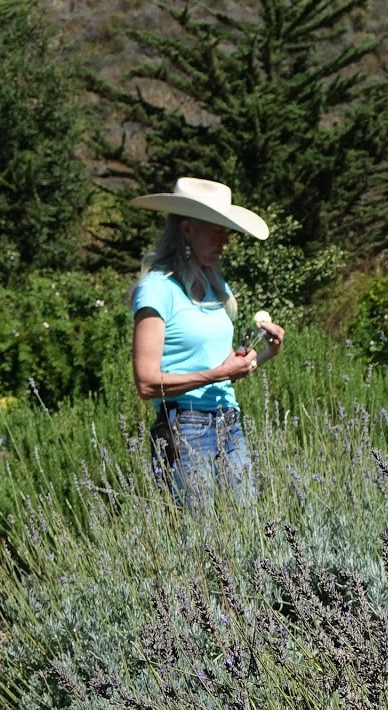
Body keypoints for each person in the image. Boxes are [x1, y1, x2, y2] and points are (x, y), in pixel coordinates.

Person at [128, 177, 285, 503]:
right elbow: (145, 384)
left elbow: (226, 366)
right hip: (184, 427)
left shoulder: (216, 287)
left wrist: (266, 352)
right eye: (217, 230)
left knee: (246, 529)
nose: (225, 240)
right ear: (187, 230)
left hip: (229, 421)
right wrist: (219, 374)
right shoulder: (157, 289)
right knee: (203, 540)